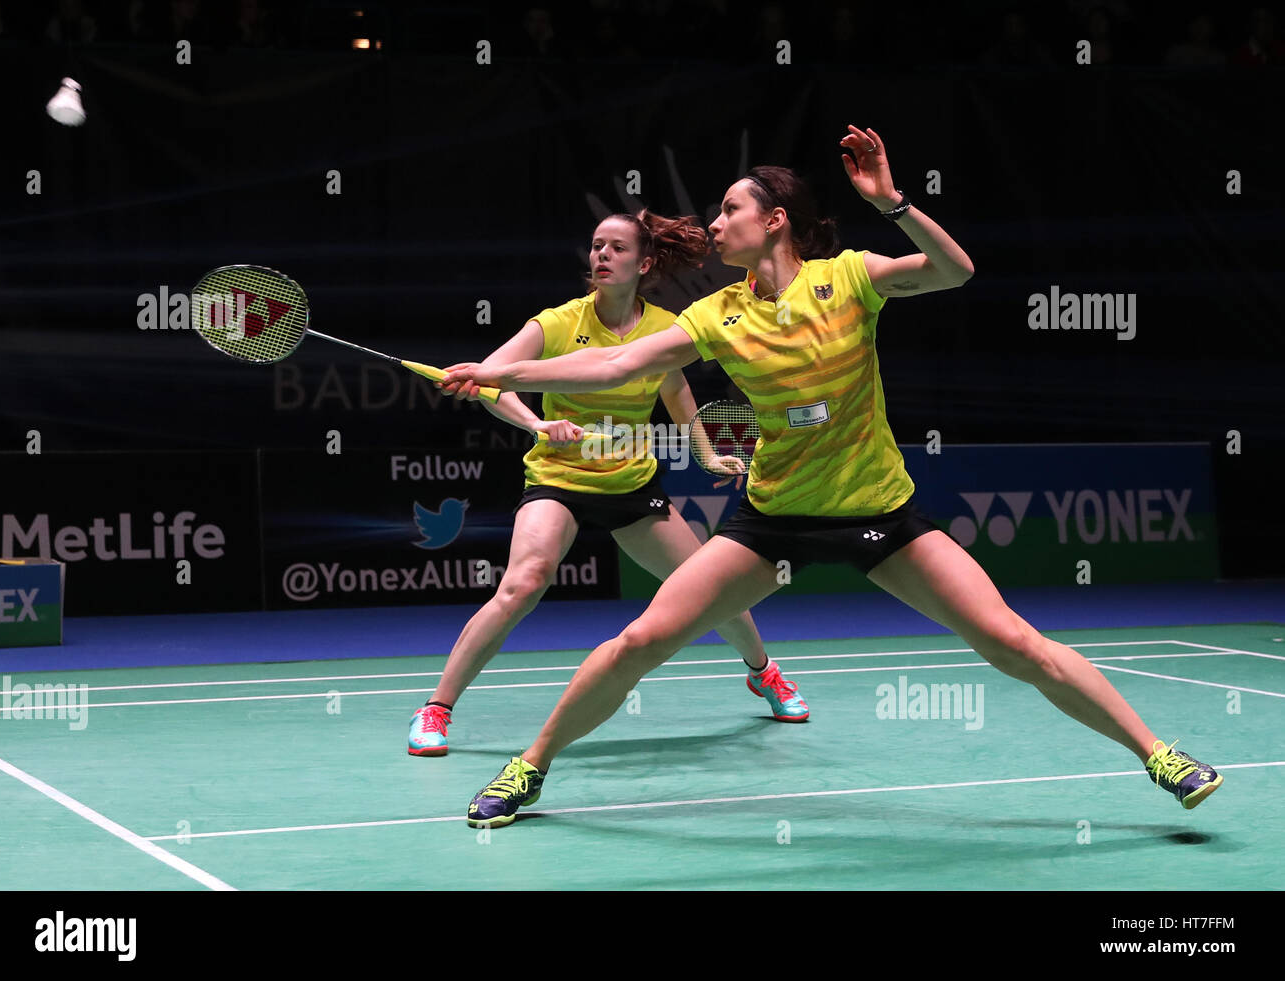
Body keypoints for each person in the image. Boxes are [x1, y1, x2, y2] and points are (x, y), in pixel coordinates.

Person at [440, 124, 1223, 827]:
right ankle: (532, 766)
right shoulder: (718, 313)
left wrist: (894, 202)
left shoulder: (849, 277)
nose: (714, 224)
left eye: (729, 210)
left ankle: (1159, 753)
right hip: (771, 516)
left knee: (1012, 641)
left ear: (773, 220)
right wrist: (499, 369)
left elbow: (954, 271)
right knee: (642, 636)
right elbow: (616, 361)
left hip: (879, 512)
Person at [408, 209, 809, 758]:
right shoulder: (555, 323)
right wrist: (537, 423)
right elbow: (490, 378)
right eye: (597, 246)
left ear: (643, 263)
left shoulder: (665, 328)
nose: (601, 255)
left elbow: (677, 396)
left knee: (710, 588)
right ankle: (436, 708)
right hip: (559, 477)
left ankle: (763, 672)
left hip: (631, 485)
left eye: (617, 248)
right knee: (524, 581)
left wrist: (708, 456)